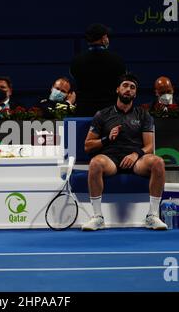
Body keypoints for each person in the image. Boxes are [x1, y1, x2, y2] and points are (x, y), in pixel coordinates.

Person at [81, 73, 167, 231]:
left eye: (132, 87)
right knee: (95, 164)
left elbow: (149, 146)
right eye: (125, 86)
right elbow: (88, 146)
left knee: (158, 162)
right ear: (117, 89)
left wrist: (136, 154)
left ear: (135, 93)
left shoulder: (143, 115)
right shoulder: (102, 115)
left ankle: (153, 216)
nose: (128, 89)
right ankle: (97, 217)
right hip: (110, 160)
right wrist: (107, 139)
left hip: (136, 160)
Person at [70, 23, 126, 117]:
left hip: (83, 112)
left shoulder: (76, 61)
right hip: (110, 114)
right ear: (103, 38)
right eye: (107, 36)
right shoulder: (117, 60)